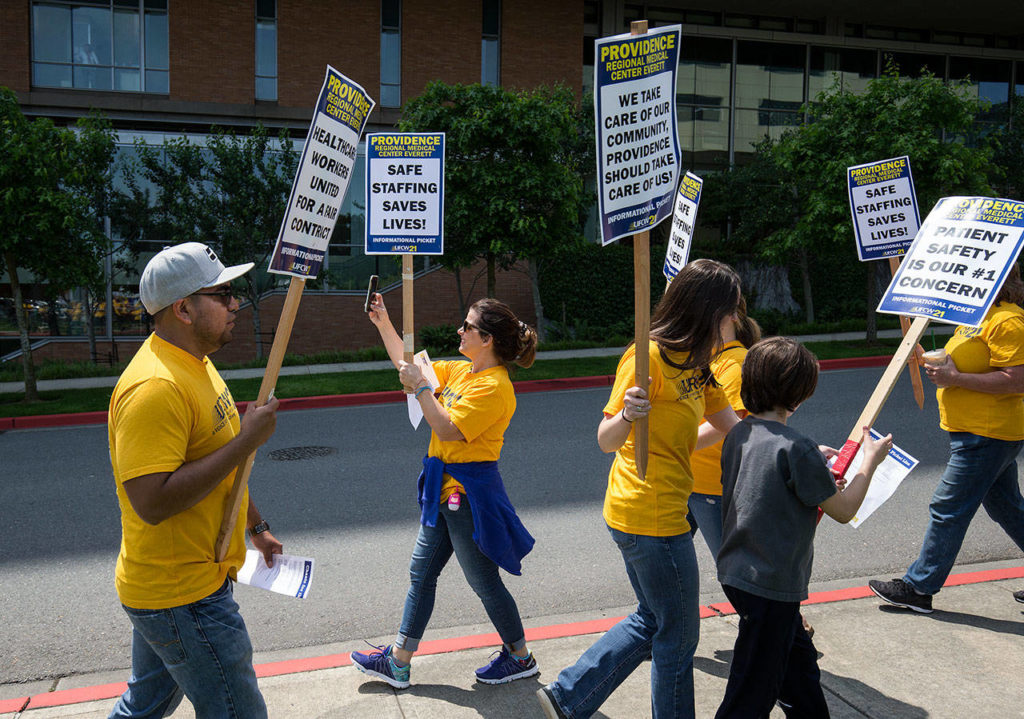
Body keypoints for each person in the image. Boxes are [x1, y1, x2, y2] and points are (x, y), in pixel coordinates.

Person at [538, 259, 744, 719]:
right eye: (727, 311)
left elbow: (732, 426)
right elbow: (604, 439)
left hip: (657, 508)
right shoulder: (647, 356)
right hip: (650, 516)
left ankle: (569, 695)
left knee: (655, 618)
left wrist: (800, 450)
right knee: (679, 634)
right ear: (704, 310)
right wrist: (627, 415)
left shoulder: (697, 362)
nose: (733, 321)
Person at [107, 242, 282, 718]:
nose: (235, 304)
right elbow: (153, 501)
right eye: (222, 293)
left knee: (144, 706)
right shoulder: (155, 387)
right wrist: (246, 441)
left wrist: (256, 526)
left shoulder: (195, 363)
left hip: (185, 584)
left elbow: (220, 465)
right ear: (183, 308)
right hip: (181, 595)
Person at [351, 295, 540, 689]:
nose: (459, 330)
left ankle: (520, 657)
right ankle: (398, 663)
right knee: (422, 573)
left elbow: (448, 428)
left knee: (483, 582)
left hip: (467, 497)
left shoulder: (494, 387)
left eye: (467, 325)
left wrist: (421, 388)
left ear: (486, 339)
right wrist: (383, 322)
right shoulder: (463, 370)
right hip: (445, 492)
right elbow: (409, 368)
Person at [714, 337, 892, 719]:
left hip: (738, 572)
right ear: (800, 393)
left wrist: (816, 466)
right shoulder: (798, 448)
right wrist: (869, 464)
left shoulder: (739, 433)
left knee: (798, 667)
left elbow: (768, 483)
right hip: (772, 581)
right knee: (751, 693)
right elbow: (842, 510)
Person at [870, 263, 1024, 613]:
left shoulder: (1007, 320)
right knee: (1007, 507)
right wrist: (930, 359)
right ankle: (919, 587)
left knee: (947, 507)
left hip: (988, 434)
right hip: (975, 432)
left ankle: (918, 587)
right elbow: (965, 364)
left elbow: (1017, 380)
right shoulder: (978, 318)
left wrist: (954, 379)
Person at [687, 299, 761, 559]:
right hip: (689, 482)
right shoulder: (708, 358)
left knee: (736, 570)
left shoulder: (737, 363)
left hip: (712, 488)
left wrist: (666, 444)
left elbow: (722, 427)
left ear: (732, 316)